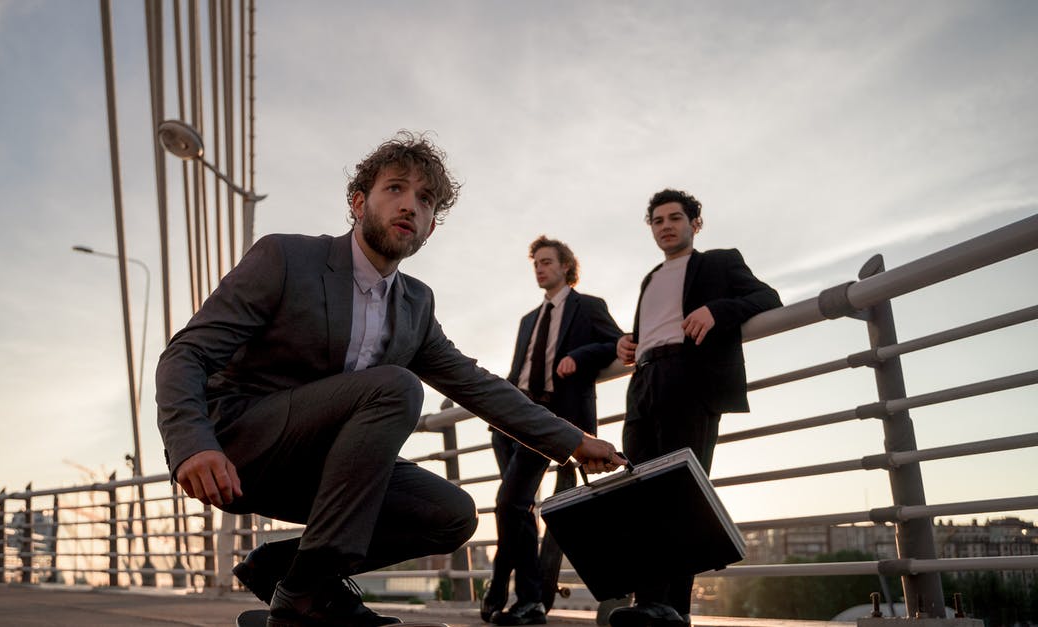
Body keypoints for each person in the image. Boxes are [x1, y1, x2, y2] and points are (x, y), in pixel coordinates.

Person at [155, 131, 625, 627]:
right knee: (397, 385)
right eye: (395, 189)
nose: (410, 206)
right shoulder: (286, 259)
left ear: (431, 227)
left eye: (425, 200)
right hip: (239, 448)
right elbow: (186, 354)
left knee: (451, 514)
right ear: (359, 202)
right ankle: (306, 596)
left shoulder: (415, 305)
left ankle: (288, 572)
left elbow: (478, 385)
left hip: (331, 472)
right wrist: (192, 444)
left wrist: (574, 441)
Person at [611, 189, 781, 627]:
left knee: (680, 491)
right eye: (657, 220)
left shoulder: (720, 262)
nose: (665, 225)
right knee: (640, 491)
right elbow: (652, 327)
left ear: (694, 224)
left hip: (690, 378)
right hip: (644, 381)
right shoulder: (649, 278)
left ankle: (669, 605)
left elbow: (768, 298)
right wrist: (629, 342)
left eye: (675, 218)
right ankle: (653, 602)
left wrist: (717, 310)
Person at [484, 236, 622, 625]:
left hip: (552, 420)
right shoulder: (528, 319)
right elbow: (517, 372)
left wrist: (578, 357)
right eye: (536, 264)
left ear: (566, 267)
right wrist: (496, 412)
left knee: (510, 504)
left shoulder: (588, 306)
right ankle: (519, 597)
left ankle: (521, 597)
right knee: (517, 508)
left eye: (547, 262)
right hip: (512, 420)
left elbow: (617, 343)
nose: (540, 269)